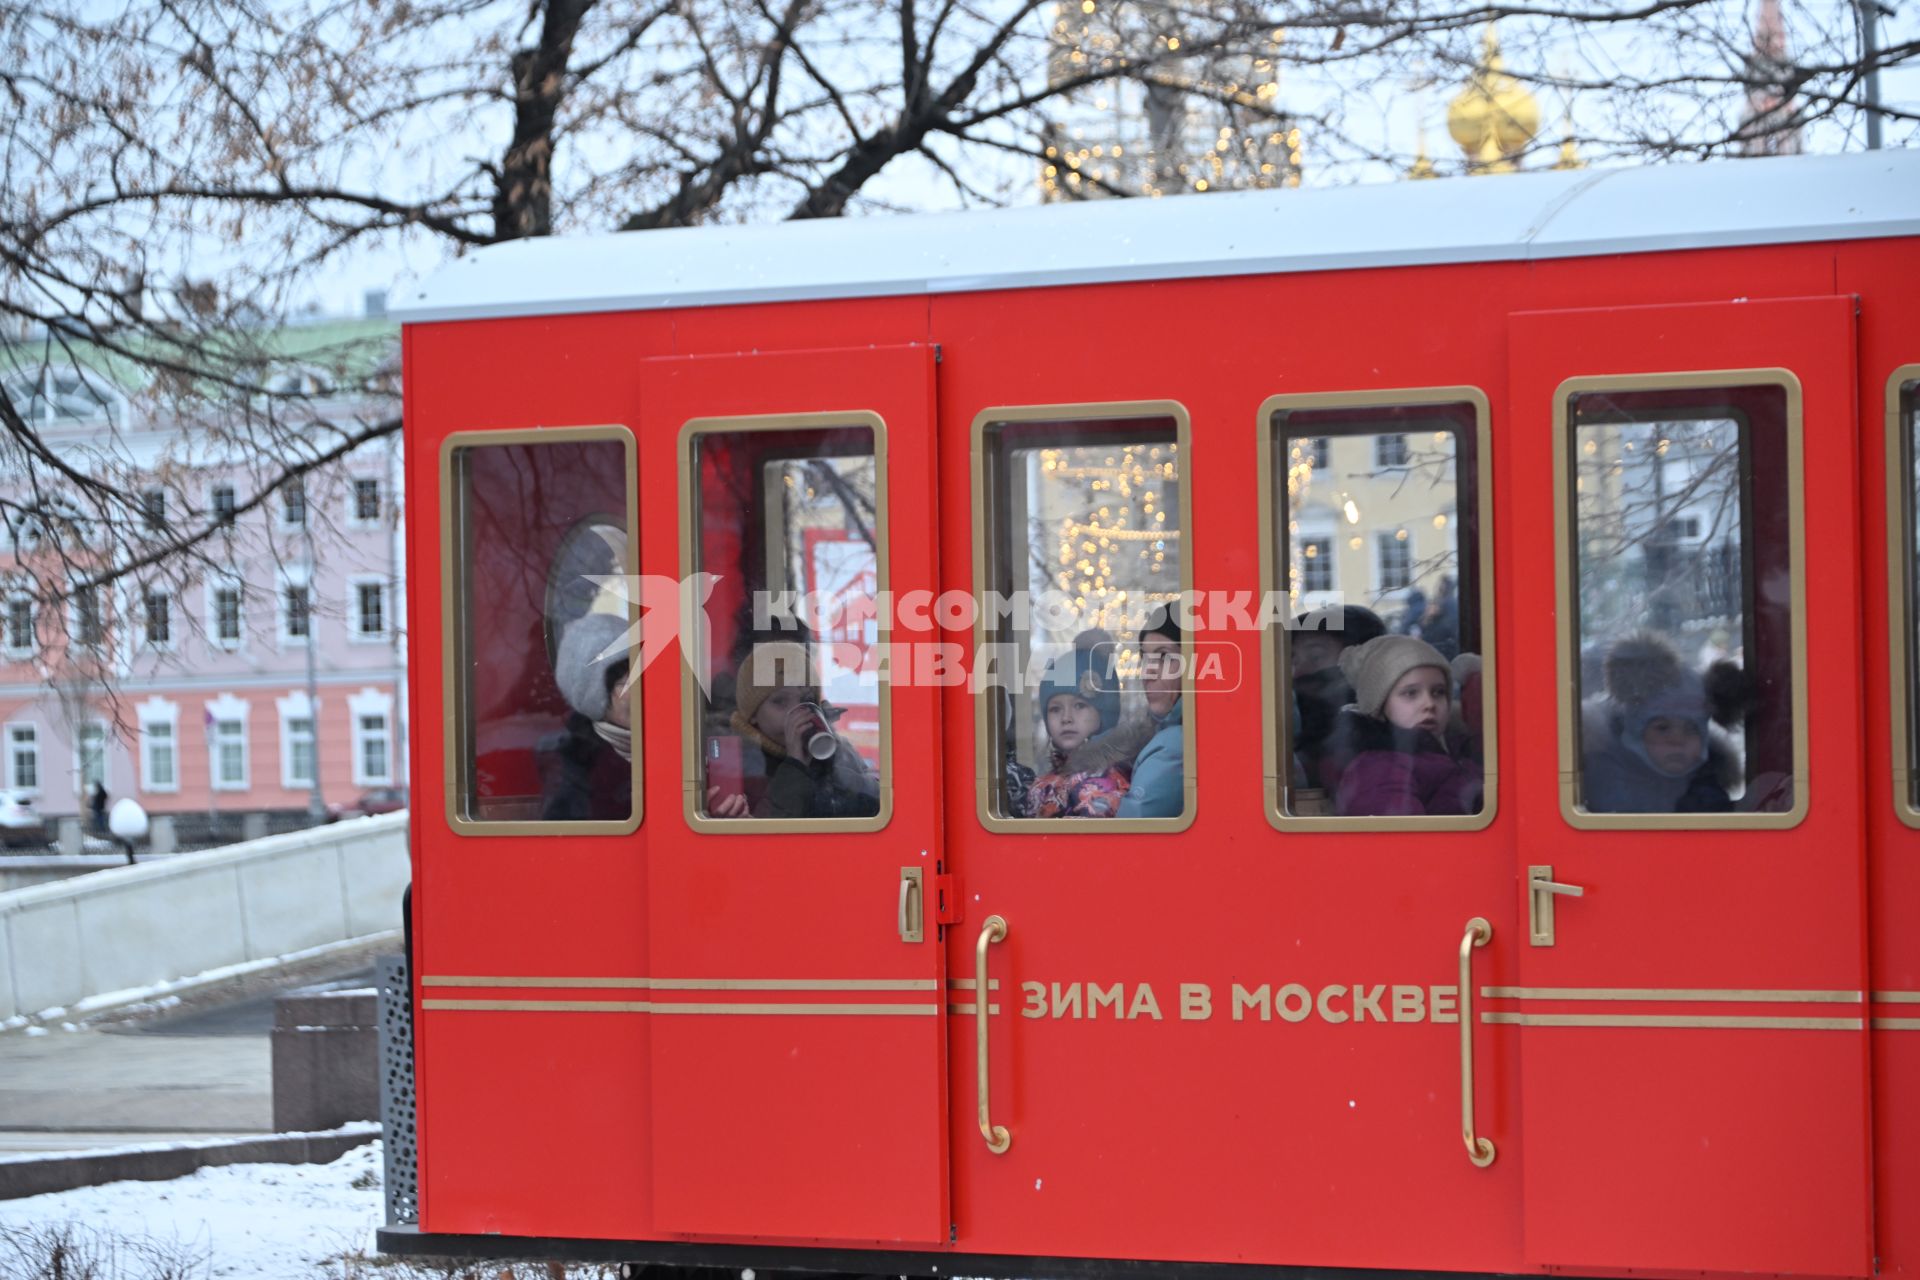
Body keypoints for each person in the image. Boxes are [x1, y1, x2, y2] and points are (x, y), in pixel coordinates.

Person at [711, 640, 880, 820]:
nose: (798, 712)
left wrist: (838, 769)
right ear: (752, 714)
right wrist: (796, 764)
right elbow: (773, 828)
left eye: (806, 699)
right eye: (780, 701)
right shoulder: (739, 764)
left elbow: (875, 805)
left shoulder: (839, 751)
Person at [1579, 633, 1734, 814]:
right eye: (1662, 728)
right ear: (1636, 734)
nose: (1677, 740)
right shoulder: (1607, 782)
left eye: (1691, 729)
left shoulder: (1708, 790)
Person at [1332, 635, 1483, 817]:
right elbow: (1402, 840)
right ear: (1378, 705)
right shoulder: (1377, 768)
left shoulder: (1458, 750)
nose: (1429, 703)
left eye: (1438, 692)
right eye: (1410, 693)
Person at [1027, 630, 1136, 818]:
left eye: (1079, 705)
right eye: (1055, 709)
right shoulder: (1044, 783)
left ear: (1103, 713)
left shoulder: (1105, 785)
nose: (1066, 718)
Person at [544, 607, 636, 821]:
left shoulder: (678, 745)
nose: (641, 692)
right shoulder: (578, 772)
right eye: (626, 681)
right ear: (594, 697)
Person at [1290, 604, 1388, 792]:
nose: (1298, 672)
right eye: (1293, 660)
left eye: (1315, 656)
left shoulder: (1387, 735)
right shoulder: (1289, 725)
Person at [1117, 605, 1184, 818]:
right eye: (1145, 658)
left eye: (1164, 656)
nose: (1147, 673)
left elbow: (1129, 836)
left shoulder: (1174, 747)